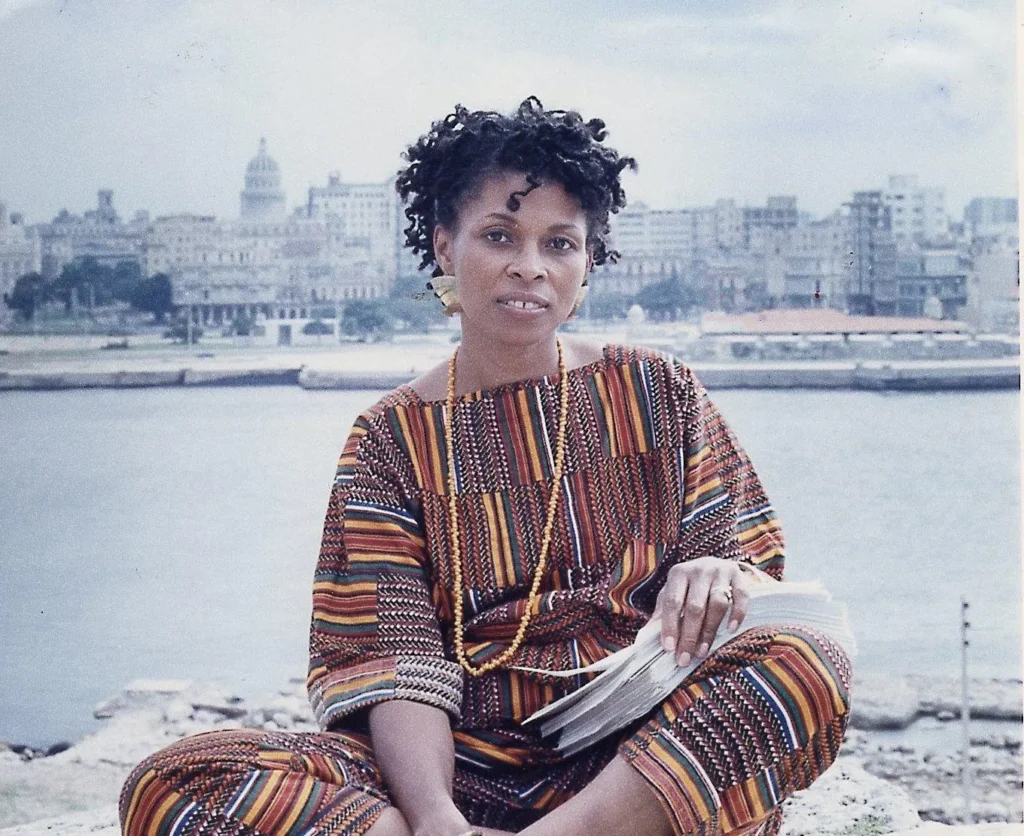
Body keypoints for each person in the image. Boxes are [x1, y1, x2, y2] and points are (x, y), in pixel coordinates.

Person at [120, 98, 851, 836]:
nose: (529, 268)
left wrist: (721, 572)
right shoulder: (392, 438)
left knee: (806, 660)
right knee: (174, 784)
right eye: (499, 236)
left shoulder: (658, 392)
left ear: (587, 260)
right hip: (456, 765)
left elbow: (743, 572)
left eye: (560, 244)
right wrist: (435, 817)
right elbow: (394, 660)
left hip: (637, 761)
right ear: (445, 247)